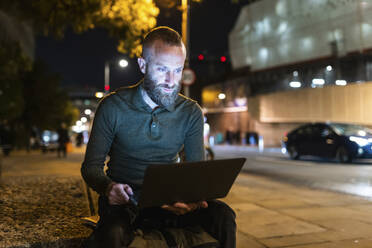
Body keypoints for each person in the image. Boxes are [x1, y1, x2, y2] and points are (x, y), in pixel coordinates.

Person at [81, 26, 236, 248]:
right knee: (113, 233)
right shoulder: (112, 107)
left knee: (224, 216)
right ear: (143, 65)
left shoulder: (190, 112)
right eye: (162, 69)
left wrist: (192, 199)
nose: (171, 80)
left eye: (177, 70)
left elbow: (195, 171)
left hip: (169, 201)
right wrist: (108, 188)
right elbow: (90, 168)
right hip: (126, 204)